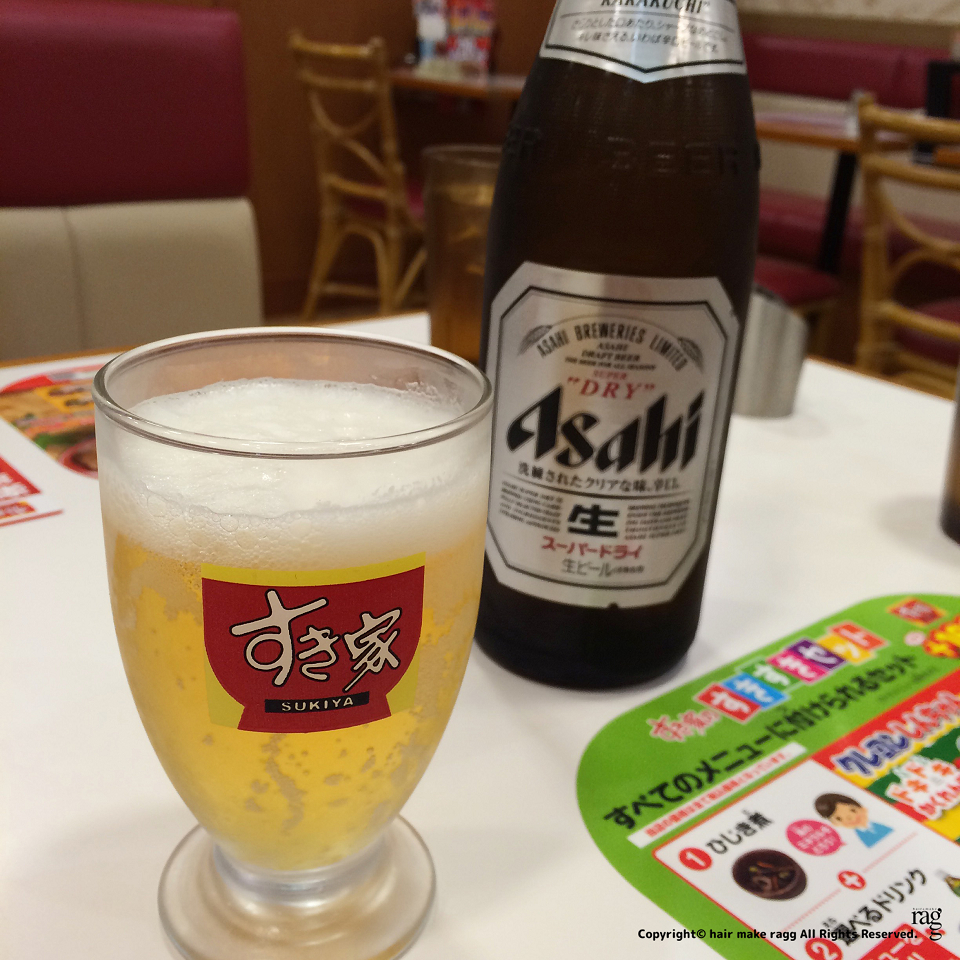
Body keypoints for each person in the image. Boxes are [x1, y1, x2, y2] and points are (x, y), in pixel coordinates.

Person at [815, 793, 892, 848]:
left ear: (862, 808)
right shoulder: (860, 838)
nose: (851, 818)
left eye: (853, 810)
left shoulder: (884, 822)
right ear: (834, 824)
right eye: (839, 818)